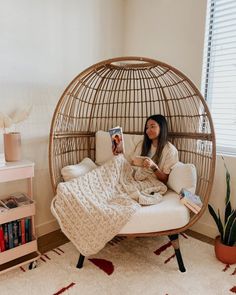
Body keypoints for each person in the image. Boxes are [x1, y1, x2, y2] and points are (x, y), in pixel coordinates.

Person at [135, 114, 178, 184]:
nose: (148, 131)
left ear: (162, 128)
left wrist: (153, 166)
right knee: (117, 159)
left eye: (152, 126)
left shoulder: (170, 150)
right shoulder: (143, 144)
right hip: (136, 177)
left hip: (152, 182)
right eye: (147, 128)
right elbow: (132, 163)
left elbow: (165, 179)